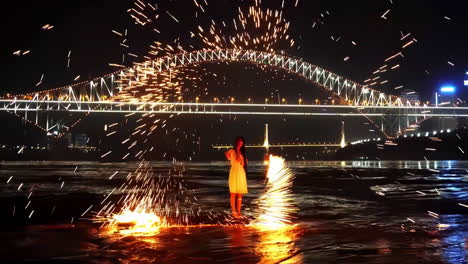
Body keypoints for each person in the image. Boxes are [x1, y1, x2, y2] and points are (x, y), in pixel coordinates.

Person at [225, 136, 248, 218]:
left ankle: (238, 212)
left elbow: (243, 164)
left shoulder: (242, 153)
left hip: (240, 172)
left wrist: (243, 158)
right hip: (234, 171)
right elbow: (228, 156)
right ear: (236, 142)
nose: (240, 143)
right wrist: (234, 153)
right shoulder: (232, 151)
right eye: (239, 142)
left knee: (240, 193)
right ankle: (233, 212)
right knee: (233, 193)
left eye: (241, 142)